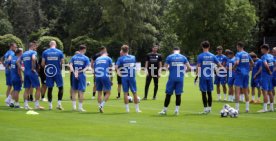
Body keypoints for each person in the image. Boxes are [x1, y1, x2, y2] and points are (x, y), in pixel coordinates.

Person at [159, 47, 190, 115]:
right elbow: (189, 68)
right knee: (178, 95)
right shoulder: (183, 57)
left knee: (168, 94)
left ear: (173, 51)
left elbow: (165, 67)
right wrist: (183, 72)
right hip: (180, 79)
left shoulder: (170, 57)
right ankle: (176, 111)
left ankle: (164, 110)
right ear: (179, 51)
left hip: (172, 78)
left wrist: (170, 69)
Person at [196, 41, 221, 114]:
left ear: (202, 47)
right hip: (210, 77)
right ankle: (209, 108)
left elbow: (199, 67)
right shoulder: (213, 56)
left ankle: (205, 109)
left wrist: (196, 75)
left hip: (203, 77)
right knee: (209, 93)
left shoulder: (200, 56)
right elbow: (219, 65)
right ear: (209, 47)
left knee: (203, 93)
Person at [116, 45, 141, 113]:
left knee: (125, 93)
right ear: (128, 50)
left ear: (122, 50)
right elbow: (135, 66)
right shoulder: (133, 57)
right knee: (134, 92)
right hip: (132, 76)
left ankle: (127, 110)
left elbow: (116, 67)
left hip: (124, 77)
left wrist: (119, 74)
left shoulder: (120, 58)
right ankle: (137, 109)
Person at [19, 42, 44, 110]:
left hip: (26, 72)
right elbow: (33, 59)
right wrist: (33, 68)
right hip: (32, 72)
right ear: (32, 46)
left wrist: (22, 69)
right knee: (38, 88)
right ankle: (37, 105)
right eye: (35, 46)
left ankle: (26, 105)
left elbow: (17, 62)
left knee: (26, 89)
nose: (36, 48)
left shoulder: (24, 53)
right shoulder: (33, 52)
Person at [42, 41, 64, 110]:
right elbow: (62, 62)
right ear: (56, 45)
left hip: (49, 72)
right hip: (57, 72)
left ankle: (50, 105)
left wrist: (47, 67)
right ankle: (59, 104)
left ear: (49, 45)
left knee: (50, 88)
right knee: (60, 87)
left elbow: (42, 64)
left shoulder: (45, 52)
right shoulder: (60, 52)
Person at [233, 42, 253, 113]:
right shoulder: (247, 54)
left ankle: (237, 109)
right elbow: (252, 62)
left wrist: (233, 67)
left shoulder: (238, 54)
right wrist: (249, 69)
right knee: (245, 91)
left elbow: (237, 62)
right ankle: (247, 108)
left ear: (238, 46)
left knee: (237, 91)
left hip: (239, 73)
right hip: (246, 74)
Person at [69, 45, 91, 112]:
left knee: (73, 90)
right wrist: (81, 71)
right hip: (81, 75)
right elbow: (87, 67)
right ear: (84, 49)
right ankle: (80, 107)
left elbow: (70, 65)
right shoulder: (85, 58)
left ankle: (74, 107)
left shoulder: (74, 57)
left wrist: (73, 71)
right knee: (81, 91)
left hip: (74, 74)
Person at [258, 44, 274, 112]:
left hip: (265, 76)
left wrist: (269, 71)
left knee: (265, 92)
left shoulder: (263, 57)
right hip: (270, 76)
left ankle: (265, 109)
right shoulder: (271, 56)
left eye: (262, 49)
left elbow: (265, 64)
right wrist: (272, 72)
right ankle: (271, 108)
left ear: (264, 49)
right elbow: (274, 64)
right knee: (270, 92)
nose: (261, 50)